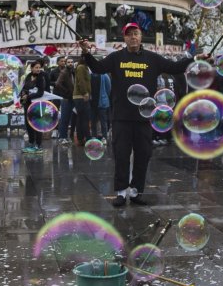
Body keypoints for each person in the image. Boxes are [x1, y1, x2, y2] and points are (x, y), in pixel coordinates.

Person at [80, 22, 197, 207]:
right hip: (121, 117)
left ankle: (136, 191)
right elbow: (97, 68)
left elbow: (175, 67)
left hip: (144, 117)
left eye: (136, 33)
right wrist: (86, 53)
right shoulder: (116, 57)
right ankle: (120, 192)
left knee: (143, 154)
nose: (133, 37)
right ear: (124, 38)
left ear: (141, 37)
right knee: (121, 155)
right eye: (129, 34)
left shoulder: (153, 59)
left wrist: (195, 58)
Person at [20, 61, 48, 152]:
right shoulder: (28, 76)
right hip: (27, 103)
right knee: (28, 124)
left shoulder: (41, 77)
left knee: (37, 124)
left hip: (37, 104)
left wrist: (28, 96)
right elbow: (24, 88)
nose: (38, 69)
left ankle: (38, 144)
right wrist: (23, 95)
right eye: (36, 67)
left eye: (39, 67)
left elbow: (40, 93)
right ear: (31, 68)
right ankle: (31, 142)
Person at [72, 54, 92, 144]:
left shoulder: (83, 67)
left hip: (80, 96)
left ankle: (81, 138)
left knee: (81, 118)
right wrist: (85, 93)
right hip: (81, 96)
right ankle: (87, 138)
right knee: (84, 118)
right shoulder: (81, 67)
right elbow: (81, 81)